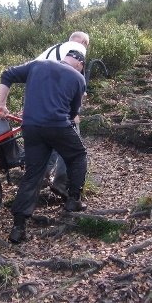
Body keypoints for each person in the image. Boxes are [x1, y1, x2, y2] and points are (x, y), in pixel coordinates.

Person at [0, 49, 88, 244]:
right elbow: (73, 114)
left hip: (31, 127)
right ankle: (74, 200)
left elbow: (7, 75)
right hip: (58, 126)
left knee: (33, 174)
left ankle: (18, 227)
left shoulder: (38, 64)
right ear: (80, 64)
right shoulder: (78, 78)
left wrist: (1, 105)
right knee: (78, 154)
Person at [36, 31, 90, 200]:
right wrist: (74, 112)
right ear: (82, 42)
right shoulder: (76, 51)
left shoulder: (51, 51)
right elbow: (74, 86)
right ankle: (63, 183)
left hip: (37, 101)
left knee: (49, 139)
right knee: (73, 143)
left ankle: (38, 179)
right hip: (59, 104)